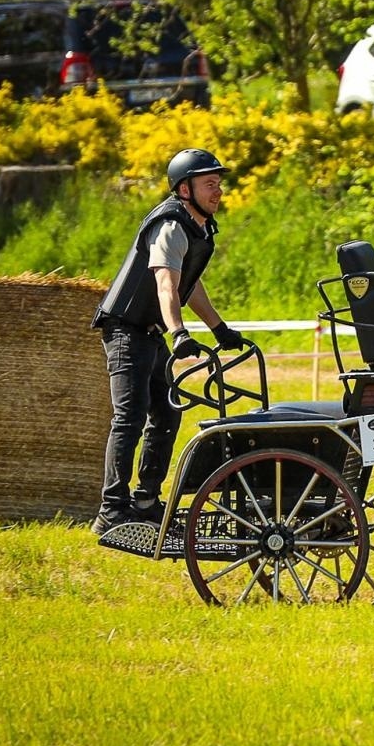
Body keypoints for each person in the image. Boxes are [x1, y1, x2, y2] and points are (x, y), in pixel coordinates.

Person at [90, 149, 247, 535]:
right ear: (184, 188)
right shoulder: (170, 225)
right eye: (210, 184)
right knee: (130, 416)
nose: (218, 191)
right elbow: (164, 283)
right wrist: (179, 332)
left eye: (219, 183)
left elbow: (187, 285)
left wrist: (218, 327)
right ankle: (111, 510)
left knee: (167, 413)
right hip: (127, 329)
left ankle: (145, 500)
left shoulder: (199, 227)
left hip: (150, 331)